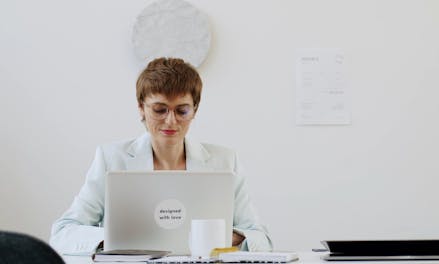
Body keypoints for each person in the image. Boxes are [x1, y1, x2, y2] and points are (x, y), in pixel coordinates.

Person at [49, 57, 273, 255]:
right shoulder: (111, 158)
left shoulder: (224, 160)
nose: (171, 121)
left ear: (195, 109)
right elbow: (63, 231)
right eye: (160, 110)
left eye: (182, 110)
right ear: (141, 108)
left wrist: (227, 237)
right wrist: (116, 240)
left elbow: (261, 237)